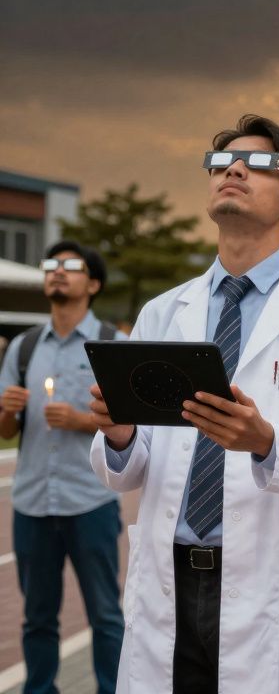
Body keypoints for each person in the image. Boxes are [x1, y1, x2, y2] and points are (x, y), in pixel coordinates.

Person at [87, 114, 279, 694]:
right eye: (222, 163)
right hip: (170, 579)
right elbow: (133, 469)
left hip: (272, 583)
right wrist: (120, 434)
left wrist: (268, 442)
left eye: (259, 164)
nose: (235, 171)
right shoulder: (162, 312)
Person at [0, 241, 124, 693]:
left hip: (91, 500)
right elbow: (7, 430)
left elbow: (135, 428)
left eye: (69, 267)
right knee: (36, 617)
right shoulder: (24, 347)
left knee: (106, 615)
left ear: (92, 283)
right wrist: (8, 410)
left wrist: (81, 421)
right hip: (32, 502)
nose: (56, 273)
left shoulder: (113, 345)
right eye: (50, 266)